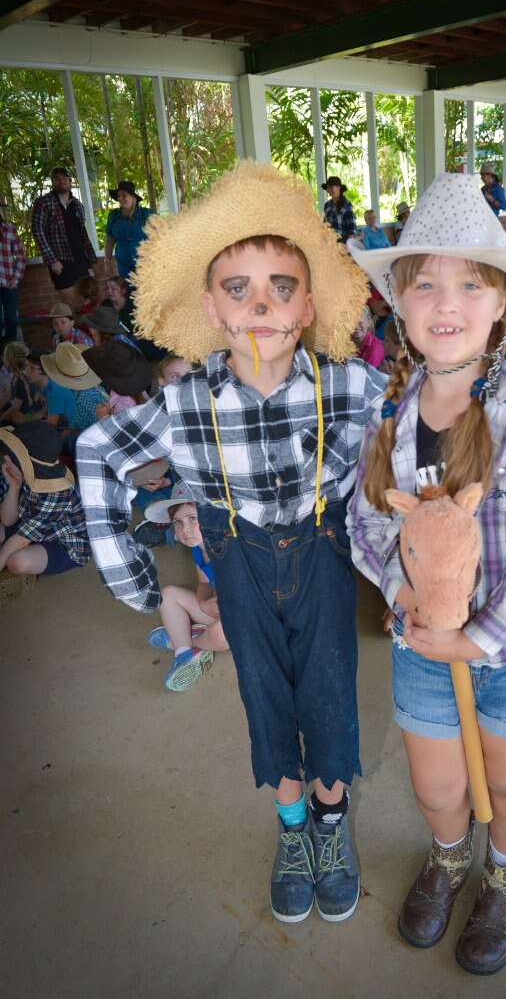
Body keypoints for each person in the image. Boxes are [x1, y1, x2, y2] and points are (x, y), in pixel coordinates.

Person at [76, 161, 386, 926]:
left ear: (307, 303)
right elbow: (95, 454)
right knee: (265, 700)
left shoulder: (351, 389)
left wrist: (408, 574)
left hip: (322, 562)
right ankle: (289, 833)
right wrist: (135, 582)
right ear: (212, 308)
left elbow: (406, 468)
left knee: (329, 700)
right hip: (238, 569)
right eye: (237, 289)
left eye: (281, 286)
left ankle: (329, 821)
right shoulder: (183, 401)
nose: (261, 305)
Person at [347, 173, 506, 977]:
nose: (443, 302)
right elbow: (365, 522)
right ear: (399, 305)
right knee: (436, 786)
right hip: (421, 645)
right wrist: (404, 591)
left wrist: (475, 638)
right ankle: (449, 857)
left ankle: (505, 875)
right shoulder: (384, 417)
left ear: (499, 305)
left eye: (467, 284)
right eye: (423, 285)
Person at [144, 483, 230, 691]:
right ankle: (183, 652)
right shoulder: (200, 550)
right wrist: (203, 602)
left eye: (193, 518)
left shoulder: (230, 548)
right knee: (168, 595)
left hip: (249, 623)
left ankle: (189, 642)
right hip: (220, 612)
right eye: (178, 522)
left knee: (222, 632)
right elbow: (202, 583)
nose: (185, 529)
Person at [0, 422, 90, 576]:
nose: (6, 458)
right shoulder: (29, 477)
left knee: (17, 562)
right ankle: (32, 549)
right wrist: (14, 487)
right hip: (33, 528)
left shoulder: (58, 493)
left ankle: (34, 558)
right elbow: (8, 521)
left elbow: (20, 539)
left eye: (13, 458)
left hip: (64, 543)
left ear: (26, 465)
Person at [30, 167, 97, 307]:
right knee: (69, 301)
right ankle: (72, 329)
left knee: (89, 299)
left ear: (70, 181)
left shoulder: (78, 205)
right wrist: (52, 259)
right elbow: (37, 231)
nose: (62, 181)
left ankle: (89, 329)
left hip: (81, 259)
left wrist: (88, 260)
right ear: (53, 182)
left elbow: (82, 234)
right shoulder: (43, 202)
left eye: (65, 178)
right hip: (60, 261)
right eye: (57, 179)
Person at [82, 339, 151, 417]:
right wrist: (109, 404)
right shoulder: (136, 387)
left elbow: (117, 428)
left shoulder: (124, 406)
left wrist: (104, 416)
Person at [104, 180, 155, 285]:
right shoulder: (114, 215)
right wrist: (107, 262)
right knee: (128, 294)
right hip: (124, 265)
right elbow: (110, 239)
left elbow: (159, 237)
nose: (120, 199)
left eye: (124, 195)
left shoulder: (146, 214)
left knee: (147, 296)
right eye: (118, 196)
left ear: (133, 197)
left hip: (145, 265)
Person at [0, 200, 27, 342]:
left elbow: (21, 256)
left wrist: (15, 278)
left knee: (11, 320)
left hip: (9, 282)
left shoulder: (9, 228)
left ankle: (10, 353)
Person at [322, 176, 358, 243]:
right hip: (329, 243)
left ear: (338, 188)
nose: (329, 190)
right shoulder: (327, 205)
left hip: (342, 243)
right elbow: (324, 224)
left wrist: (348, 244)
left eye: (331, 187)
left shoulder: (346, 204)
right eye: (328, 188)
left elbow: (352, 226)